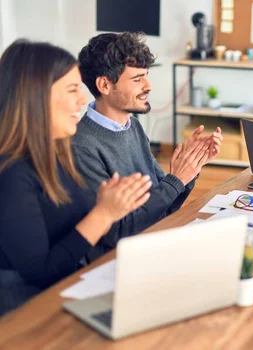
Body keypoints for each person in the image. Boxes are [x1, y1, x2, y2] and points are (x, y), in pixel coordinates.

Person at [0, 40, 152, 316]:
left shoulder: (56, 154)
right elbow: (41, 272)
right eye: (72, 91)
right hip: (28, 313)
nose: (82, 101)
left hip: (73, 285)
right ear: (36, 97)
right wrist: (104, 214)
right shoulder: (11, 174)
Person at [72, 32, 223, 261]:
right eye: (137, 79)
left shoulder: (132, 127)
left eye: (147, 76)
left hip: (152, 243)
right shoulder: (82, 147)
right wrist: (176, 180)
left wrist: (189, 167)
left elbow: (163, 207)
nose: (149, 86)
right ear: (104, 84)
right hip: (117, 262)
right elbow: (118, 233)